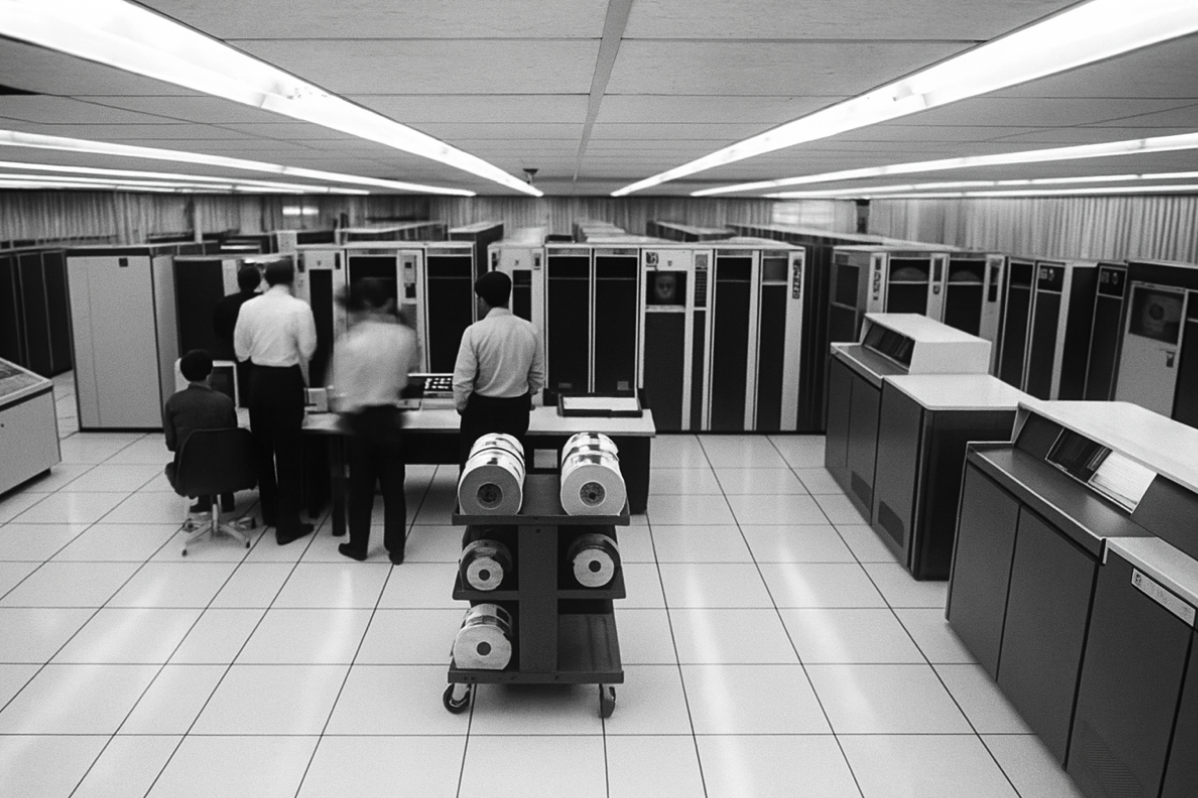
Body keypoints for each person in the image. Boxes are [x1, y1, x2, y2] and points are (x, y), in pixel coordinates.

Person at [331, 279, 420, 563]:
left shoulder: (349, 339)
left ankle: (358, 546)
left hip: (360, 421)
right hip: (389, 419)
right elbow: (407, 375)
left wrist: (345, 412)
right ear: (387, 301)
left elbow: (341, 389)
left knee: (360, 489)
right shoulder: (404, 335)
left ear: (363, 303)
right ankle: (396, 549)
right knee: (394, 488)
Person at [233, 259, 317, 545]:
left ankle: (269, 512)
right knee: (289, 454)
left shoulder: (248, 307)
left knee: (263, 450)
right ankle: (288, 524)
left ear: (265, 279)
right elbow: (308, 349)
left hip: (257, 383)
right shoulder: (299, 308)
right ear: (292, 279)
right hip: (285, 383)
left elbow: (240, 351)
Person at [452, 270, 545, 468]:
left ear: (482, 300)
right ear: (507, 297)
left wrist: (463, 407)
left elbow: (462, 381)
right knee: (511, 466)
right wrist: (526, 395)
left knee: (476, 470)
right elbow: (537, 377)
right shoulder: (530, 330)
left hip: (481, 412)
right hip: (516, 411)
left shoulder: (474, 332)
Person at [163, 349, 238, 517]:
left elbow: (172, 444)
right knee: (221, 452)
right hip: (229, 471)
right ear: (210, 371)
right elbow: (233, 438)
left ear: (183, 374)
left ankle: (204, 501)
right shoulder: (224, 401)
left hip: (189, 474)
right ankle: (227, 500)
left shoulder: (173, 402)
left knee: (196, 455)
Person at [212, 264, 261, 406]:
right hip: (260, 356)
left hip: (231, 356)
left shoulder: (224, 303)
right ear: (258, 281)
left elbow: (218, 331)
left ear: (238, 281)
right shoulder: (265, 303)